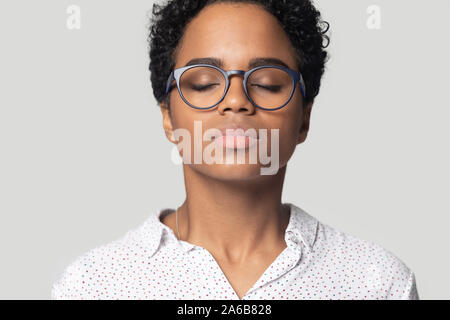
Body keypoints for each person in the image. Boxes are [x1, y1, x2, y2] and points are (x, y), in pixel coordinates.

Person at [51, 0, 419, 300]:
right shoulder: (91, 286)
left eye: (269, 84)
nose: (236, 100)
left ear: (304, 119)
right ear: (168, 116)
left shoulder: (378, 283)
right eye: (205, 82)